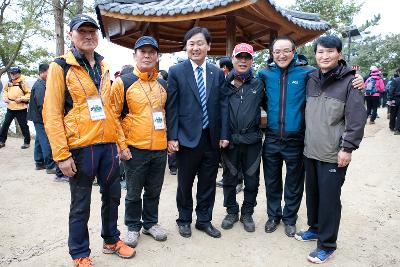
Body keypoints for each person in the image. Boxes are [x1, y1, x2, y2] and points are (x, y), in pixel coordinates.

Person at [43, 14, 135, 267]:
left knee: (113, 196)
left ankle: (111, 239)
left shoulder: (104, 66)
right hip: (81, 146)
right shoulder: (60, 67)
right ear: (71, 36)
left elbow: (110, 110)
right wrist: (61, 155)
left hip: (107, 145)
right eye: (81, 31)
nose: (88, 36)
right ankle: (80, 253)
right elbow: (51, 113)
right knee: (81, 203)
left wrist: (120, 143)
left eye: (92, 31)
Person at [257, 36, 365, 238]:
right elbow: (258, 97)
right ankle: (273, 216)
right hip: (271, 137)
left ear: (294, 51)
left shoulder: (308, 73)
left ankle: (289, 218)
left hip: (296, 139)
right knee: (271, 181)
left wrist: (358, 76)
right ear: (271, 54)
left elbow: (335, 74)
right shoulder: (264, 74)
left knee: (294, 182)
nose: (282, 55)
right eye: (277, 51)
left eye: (286, 50)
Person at [296, 35, 366, 264]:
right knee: (314, 196)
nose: (324, 56)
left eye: (329, 51)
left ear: (340, 54)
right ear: (314, 55)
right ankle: (315, 228)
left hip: (334, 154)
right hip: (310, 150)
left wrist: (348, 149)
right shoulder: (311, 77)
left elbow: (356, 119)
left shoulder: (351, 82)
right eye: (319, 52)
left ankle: (327, 245)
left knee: (329, 200)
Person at [166, 27, 229, 239]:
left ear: (208, 46)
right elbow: (172, 107)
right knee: (185, 182)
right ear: (186, 47)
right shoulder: (176, 72)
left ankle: (204, 220)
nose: (196, 47)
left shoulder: (217, 73)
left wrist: (223, 134)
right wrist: (172, 137)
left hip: (211, 138)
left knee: (208, 182)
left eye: (200, 43)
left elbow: (222, 105)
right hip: (186, 138)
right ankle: (184, 219)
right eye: (191, 43)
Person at [111, 36, 168, 248]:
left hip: (159, 148)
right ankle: (133, 226)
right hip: (134, 148)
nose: (147, 55)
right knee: (134, 192)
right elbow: (113, 115)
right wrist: (121, 146)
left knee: (154, 190)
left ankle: (150, 223)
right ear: (134, 55)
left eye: (151, 52)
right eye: (142, 51)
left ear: (157, 56)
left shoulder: (162, 84)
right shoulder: (123, 82)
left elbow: (166, 115)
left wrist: (168, 141)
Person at [220, 43, 264, 232]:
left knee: (252, 180)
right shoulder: (223, 83)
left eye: (247, 57)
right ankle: (231, 211)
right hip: (230, 141)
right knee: (229, 178)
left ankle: (247, 213)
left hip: (252, 140)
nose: (243, 61)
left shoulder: (259, 82)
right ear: (233, 59)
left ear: (252, 60)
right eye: (240, 57)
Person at [27, 63, 68, 181]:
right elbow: (42, 104)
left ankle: (39, 162)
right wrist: (48, 117)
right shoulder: (40, 85)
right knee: (46, 141)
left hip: (38, 117)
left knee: (40, 140)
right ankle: (50, 165)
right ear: (43, 72)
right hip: (40, 118)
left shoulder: (42, 83)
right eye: (49, 72)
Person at [215, 56, 244, 193]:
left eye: (218, 66)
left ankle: (238, 180)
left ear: (225, 68)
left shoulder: (235, 79)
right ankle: (227, 179)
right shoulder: (225, 79)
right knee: (226, 157)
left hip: (237, 127)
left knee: (237, 158)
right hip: (226, 126)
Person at [0, 66, 31, 149]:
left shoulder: (23, 82)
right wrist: (5, 98)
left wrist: (21, 98)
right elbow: (5, 90)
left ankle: (27, 142)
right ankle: (1, 141)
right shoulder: (9, 82)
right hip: (10, 107)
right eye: (11, 73)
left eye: (14, 73)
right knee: (5, 124)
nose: (12, 74)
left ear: (19, 73)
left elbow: (29, 94)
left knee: (23, 125)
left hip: (21, 108)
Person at [158, 69, 177, 175]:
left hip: (165, 120)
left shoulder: (166, 86)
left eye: (160, 76)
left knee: (171, 143)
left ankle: (173, 166)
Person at [388, 68, 400, 135]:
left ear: (398, 72)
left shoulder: (395, 80)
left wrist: (390, 99)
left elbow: (391, 91)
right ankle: (397, 130)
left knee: (393, 113)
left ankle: (392, 127)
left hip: (395, 99)